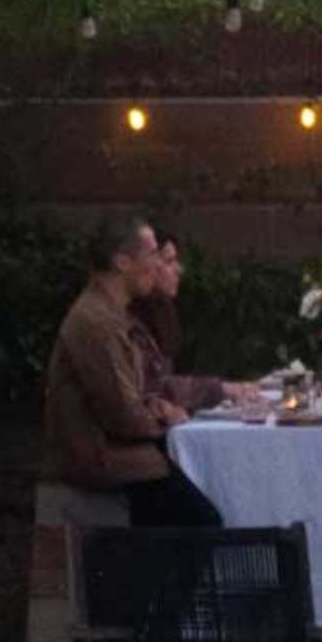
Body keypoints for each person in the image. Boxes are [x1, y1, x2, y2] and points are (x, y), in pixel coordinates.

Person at [44, 212, 222, 527]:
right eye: (152, 254)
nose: (157, 265)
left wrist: (156, 406)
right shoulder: (97, 323)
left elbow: (132, 396)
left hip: (124, 457)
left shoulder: (111, 316)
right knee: (205, 522)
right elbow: (123, 414)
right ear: (122, 262)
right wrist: (166, 416)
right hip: (109, 464)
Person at [133, 232, 224, 415]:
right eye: (169, 261)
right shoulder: (131, 319)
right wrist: (220, 389)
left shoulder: (163, 312)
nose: (179, 269)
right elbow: (155, 387)